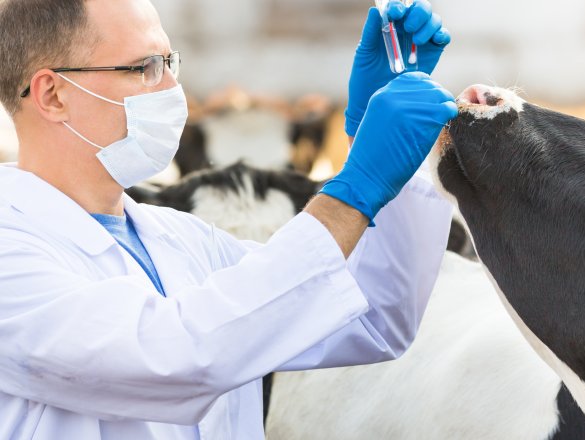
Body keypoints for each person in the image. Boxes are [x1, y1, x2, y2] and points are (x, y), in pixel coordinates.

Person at [0, 0, 458, 438]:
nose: (172, 92)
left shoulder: (183, 241)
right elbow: (175, 356)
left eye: (169, 63)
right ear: (53, 94)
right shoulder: (12, 252)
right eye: (145, 68)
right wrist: (355, 187)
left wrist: (383, 158)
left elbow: (368, 317)